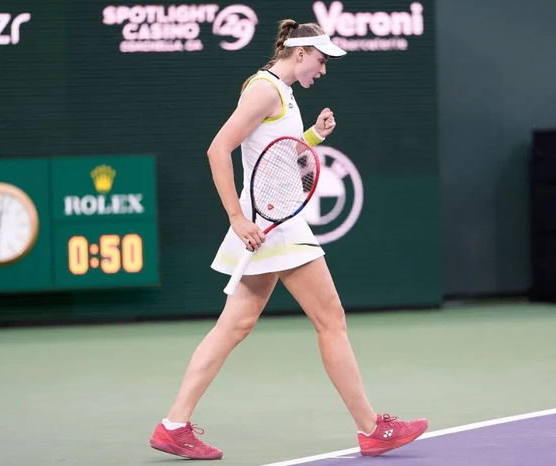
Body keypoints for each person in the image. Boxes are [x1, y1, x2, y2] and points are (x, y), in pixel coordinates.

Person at [149, 19, 428, 460]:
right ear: (300, 53)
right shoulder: (265, 90)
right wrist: (236, 218)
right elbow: (218, 149)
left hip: (271, 222)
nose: (323, 69)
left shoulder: (280, 90)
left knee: (233, 326)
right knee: (331, 319)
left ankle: (173, 426)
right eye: (321, 60)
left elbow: (277, 153)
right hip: (273, 224)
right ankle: (372, 428)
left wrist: (313, 136)